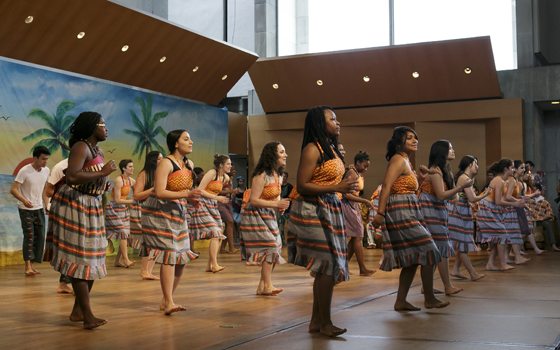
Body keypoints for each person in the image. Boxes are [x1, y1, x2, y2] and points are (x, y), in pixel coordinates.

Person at [287, 105, 356, 337]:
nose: (338, 122)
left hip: (328, 207)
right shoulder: (312, 148)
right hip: (311, 210)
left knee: (325, 267)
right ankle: (325, 323)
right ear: (319, 122)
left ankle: (316, 322)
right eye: (332, 118)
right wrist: (337, 186)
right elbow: (303, 184)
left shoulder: (330, 149)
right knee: (326, 266)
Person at [47, 111, 116, 329]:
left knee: (93, 259)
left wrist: (103, 183)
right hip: (75, 205)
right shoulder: (80, 147)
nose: (106, 129)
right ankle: (87, 315)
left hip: (92, 205)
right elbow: (73, 176)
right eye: (102, 125)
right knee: (79, 259)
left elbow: (92, 174)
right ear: (92, 126)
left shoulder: (97, 150)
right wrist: (102, 173)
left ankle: (78, 311)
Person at [372, 126, 449, 311]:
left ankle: (401, 301)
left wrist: (420, 180)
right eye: (409, 138)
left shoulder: (406, 160)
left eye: (415, 138)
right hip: (400, 211)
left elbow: (405, 189)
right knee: (430, 250)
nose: (415, 141)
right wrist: (380, 214)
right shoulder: (398, 159)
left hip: (407, 209)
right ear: (399, 142)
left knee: (414, 258)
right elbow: (386, 186)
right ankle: (429, 298)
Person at [141, 129, 202, 315]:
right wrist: (187, 195)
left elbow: (186, 189)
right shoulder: (166, 163)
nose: (191, 142)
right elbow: (159, 192)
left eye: (190, 138)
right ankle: (168, 301)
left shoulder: (187, 164)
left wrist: (192, 199)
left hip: (177, 213)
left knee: (181, 258)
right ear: (175, 144)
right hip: (159, 213)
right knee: (169, 255)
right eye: (186, 139)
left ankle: (167, 299)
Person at [418, 140, 472, 295]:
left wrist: (455, 196)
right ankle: (447, 286)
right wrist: (461, 188)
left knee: (437, 247)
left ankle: (426, 286)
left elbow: (447, 193)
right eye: (450, 148)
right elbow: (441, 195)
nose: (453, 150)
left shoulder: (444, 169)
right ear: (441, 152)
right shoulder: (435, 170)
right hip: (430, 210)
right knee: (441, 246)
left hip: (436, 210)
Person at [241, 141, 290, 296]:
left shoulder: (279, 175)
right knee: (271, 247)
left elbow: (276, 194)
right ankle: (267, 285)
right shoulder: (261, 175)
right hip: (254, 216)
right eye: (282, 152)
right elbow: (253, 200)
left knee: (277, 246)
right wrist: (277, 204)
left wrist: (280, 206)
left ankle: (262, 286)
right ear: (272, 155)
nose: (285, 155)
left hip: (268, 214)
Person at [477, 158, 527, 271]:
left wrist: (505, 205)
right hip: (486, 209)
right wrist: (515, 203)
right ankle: (503, 264)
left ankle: (490, 264)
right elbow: (498, 201)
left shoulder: (503, 180)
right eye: (512, 167)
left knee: (498, 238)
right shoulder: (499, 180)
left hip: (491, 209)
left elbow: (499, 201)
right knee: (502, 234)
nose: (513, 169)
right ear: (506, 169)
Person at [449, 155, 491, 281]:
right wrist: (486, 194)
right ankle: (473, 274)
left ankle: (456, 270)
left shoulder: (466, 178)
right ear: (470, 164)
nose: (477, 167)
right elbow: (472, 198)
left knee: (462, 244)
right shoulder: (464, 178)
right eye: (475, 164)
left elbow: (470, 199)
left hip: (462, 212)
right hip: (459, 214)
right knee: (462, 244)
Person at [10, 146, 51, 276]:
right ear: (35, 158)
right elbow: (13, 189)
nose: (45, 162)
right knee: (29, 236)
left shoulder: (46, 171)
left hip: (39, 208)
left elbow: (45, 190)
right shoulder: (25, 171)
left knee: (40, 236)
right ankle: (27, 266)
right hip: (25, 209)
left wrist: (47, 204)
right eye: (43, 159)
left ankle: (32, 266)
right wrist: (24, 200)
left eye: (47, 159)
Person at [190, 154, 231, 273]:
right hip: (202, 204)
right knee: (215, 233)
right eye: (228, 164)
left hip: (212, 205)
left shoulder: (225, 178)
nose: (230, 166)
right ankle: (214, 264)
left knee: (218, 234)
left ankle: (209, 265)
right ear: (221, 165)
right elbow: (200, 190)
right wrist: (217, 198)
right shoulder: (212, 173)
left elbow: (216, 190)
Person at [341, 151, 375, 276]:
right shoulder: (351, 173)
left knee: (356, 236)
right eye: (364, 166)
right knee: (358, 236)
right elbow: (345, 194)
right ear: (357, 163)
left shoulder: (356, 173)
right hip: (348, 204)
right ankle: (362, 268)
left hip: (353, 204)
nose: (365, 169)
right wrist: (364, 200)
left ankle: (343, 267)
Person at [130, 151, 163, 280]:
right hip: (147, 210)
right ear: (153, 161)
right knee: (149, 241)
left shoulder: (160, 174)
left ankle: (148, 271)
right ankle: (144, 270)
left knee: (157, 242)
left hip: (158, 209)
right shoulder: (144, 174)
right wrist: (153, 189)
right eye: (159, 159)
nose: (162, 161)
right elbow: (137, 195)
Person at [43, 158, 73, 293]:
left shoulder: (87, 166)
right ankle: (63, 283)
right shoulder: (60, 167)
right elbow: (48, 191)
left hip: (76, 210)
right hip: (63, 210)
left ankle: (64, 282)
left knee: (73, 248)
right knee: (67, 247)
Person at [105, 159, 136, 268]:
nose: (132, 168)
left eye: (132, 166)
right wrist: (132, 201)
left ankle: (117, 261)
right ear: (124, 168)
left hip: (123, 209)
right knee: (123, 232)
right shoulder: (119, 180)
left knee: (125, 234)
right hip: (113, 208)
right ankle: (126, 260)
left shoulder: (131, 181)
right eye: (130, 166)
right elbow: (117, 200)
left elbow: (137, 193)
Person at [502, 161, 532, 263]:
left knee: (512, 233)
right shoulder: (513, 180)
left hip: (511, 207)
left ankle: (507, 258)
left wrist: (520, 198)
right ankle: (517, 257)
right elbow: (507, 196)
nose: (524, 170)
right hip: (510, 208)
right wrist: (519, 201)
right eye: (522, 168)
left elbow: (512, 195)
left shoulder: (515, 180)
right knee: (514, 232)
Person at [529, 183, 560, 251]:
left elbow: (549, 213)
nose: (531, 192)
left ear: (538, 190)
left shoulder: (544, 201)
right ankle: (521, 247)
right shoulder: (530, 200)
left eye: (533, 190)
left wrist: (543, 218)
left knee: (548, 225)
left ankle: (553, 244)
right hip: (530, 219)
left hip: (541, 220)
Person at [219, 165, 240, 254]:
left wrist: (232, 194)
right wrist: (231, 191)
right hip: (221, 201)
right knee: (230, 222)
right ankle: (231, 248)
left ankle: (223, 248)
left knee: (230, 224)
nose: (234, 171)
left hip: (228, 201)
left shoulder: (229, 178)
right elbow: (218, 191)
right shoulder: (221, 178)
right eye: (232, 169)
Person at [276, 171, 294, 244]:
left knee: (290, 227)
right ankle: (281, 242)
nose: (284, 178)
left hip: (289, 210)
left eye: (285, 176)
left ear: (287, 177)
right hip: (280, 209)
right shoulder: (278, 186)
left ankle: (291, 241)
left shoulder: (290, 186)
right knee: (280, 227)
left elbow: (293, 197)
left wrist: (285, 199)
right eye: (282, 176)